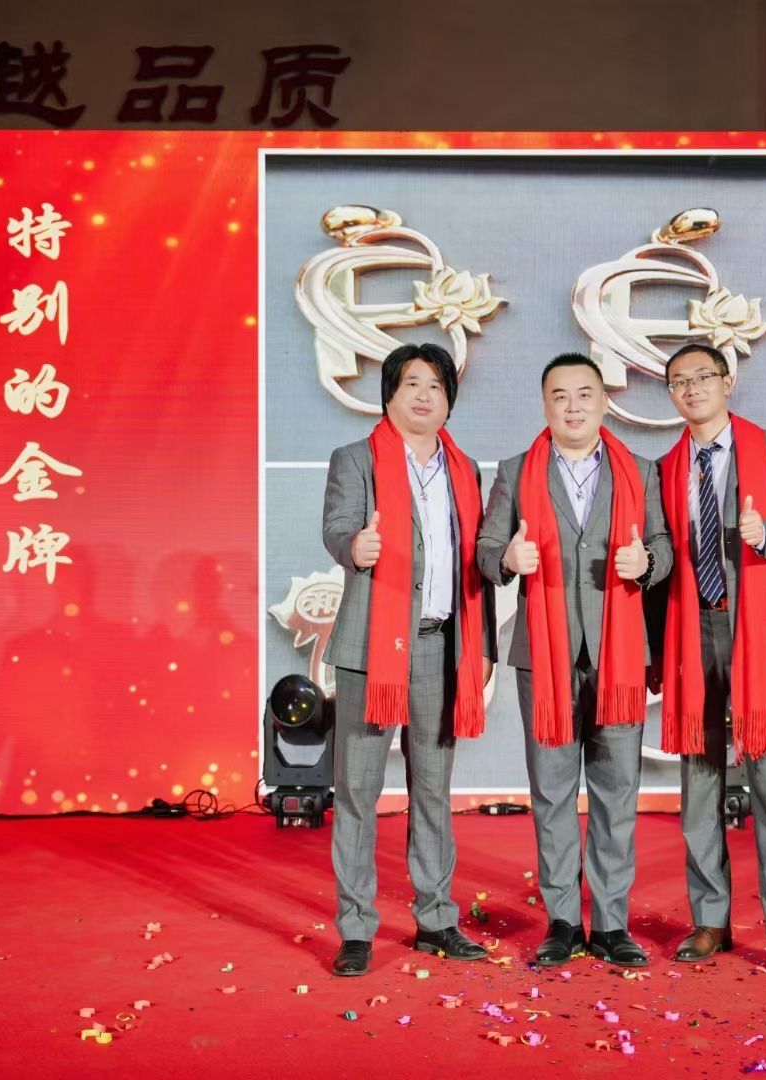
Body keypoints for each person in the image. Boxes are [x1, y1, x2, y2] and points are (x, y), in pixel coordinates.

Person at [477, 353, 672, 967]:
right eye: (559, 395)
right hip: (545, 657)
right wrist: (507, 559)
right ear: (544, 405)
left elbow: (664, 544)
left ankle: (611, 923)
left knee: (617, 791)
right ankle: (563, 920)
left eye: (584, 394)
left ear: (604, 401)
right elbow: (486, 545)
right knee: (553, 791)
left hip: (619, 656)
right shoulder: (515, 471)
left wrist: (649, 562)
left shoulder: (640, 471)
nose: (573, 405)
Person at [320, 342, 496, 977]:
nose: (424, 395)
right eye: (412, 383)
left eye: (437, 386)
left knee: (433, 791)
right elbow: (337, 526)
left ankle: (437, 919)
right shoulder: (355, 459)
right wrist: (354, 546)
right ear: (389, 394)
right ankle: (356, 928)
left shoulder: (465, 469)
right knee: (358, 791)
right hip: (372, 648)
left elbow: (477, 560)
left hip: (444, 646)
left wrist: (482, 640)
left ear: (450, 400)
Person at [655, 343, 766, 976]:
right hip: (691, 632)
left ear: (727, 382)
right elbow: (664, 558)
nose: (691, 388)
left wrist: (764, 536)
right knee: (700, 782)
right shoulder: (666, 466)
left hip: (762, 633)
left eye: (702, 377)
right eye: (678, 382)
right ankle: (710, 920)